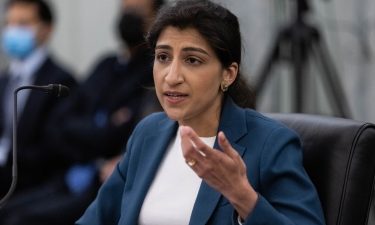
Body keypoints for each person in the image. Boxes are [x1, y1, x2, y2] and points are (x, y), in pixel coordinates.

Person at [77, 0, 326, 224]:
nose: (171, 77)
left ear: (228, 74)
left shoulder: (270, 143)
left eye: (192, 60)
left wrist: (244, 199)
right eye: (163, 57)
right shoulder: (148, 132)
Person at [0, 0, 76, 198]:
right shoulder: (4, 78)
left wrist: (5, 156)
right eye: (9, 23)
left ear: (46, 29)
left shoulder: (61, 81)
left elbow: (53, 148)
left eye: (23, 24)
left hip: (36, 185)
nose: (13, 30)